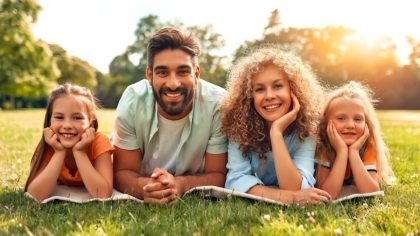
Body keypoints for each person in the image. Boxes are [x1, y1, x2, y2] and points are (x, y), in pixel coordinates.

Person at [113, 26, 228, 205]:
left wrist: (181, 184)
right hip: (146, 178)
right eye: (162, 72)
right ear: (149, 75)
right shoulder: (132, 101)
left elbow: (218, 175)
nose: (173, 84)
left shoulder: (218, 104)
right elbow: (122, 172)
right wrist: (147, 188)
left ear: (196, 74)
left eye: (183, 72)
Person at [222, 45, 331, 205]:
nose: (269, 96)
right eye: (259, 89)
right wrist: (289, 198)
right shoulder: (239, 126)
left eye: (278, 86)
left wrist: (276, 133)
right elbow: (235, 181)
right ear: (249, 95)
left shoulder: (307, 129)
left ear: (293, 90)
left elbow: (298, 187)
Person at [25, 83, 113, 202]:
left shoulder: (99, 141)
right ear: (49, 120)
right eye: (59, 117)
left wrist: (80, 152)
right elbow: (35, 195)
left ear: (91, 122)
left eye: (77, 118)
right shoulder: (51, 143)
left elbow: (103, 194)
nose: (67, 126)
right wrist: (59, 152)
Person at [315, 81, 395, 199]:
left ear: (366, 124)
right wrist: (342, 152)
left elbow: (371, 193)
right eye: (341, 118)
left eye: (358, 119)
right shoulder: (323, 146)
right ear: (326, 123)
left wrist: (353, 152)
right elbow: (328, 194)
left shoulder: (368, 146)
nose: (351, 125)